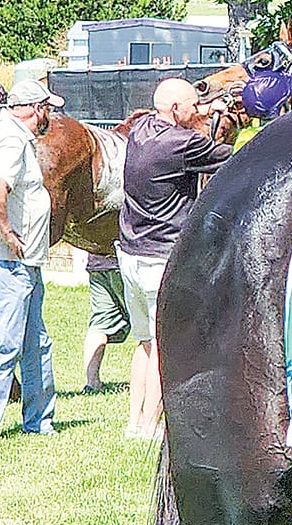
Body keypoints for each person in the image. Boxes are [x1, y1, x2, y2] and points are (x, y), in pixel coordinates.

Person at [118, 78, 235, 441]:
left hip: (130, 253)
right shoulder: (180, 144)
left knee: (144, 342)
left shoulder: (140, 130)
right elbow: (226, 157)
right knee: (164, 345)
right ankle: (152, 427)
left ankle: (135, 421)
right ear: (174, 110)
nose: (198, 110)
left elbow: (186, 125)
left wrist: (205, 112)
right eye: (192, 106)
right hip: (160, 256)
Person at [0, 79, 61, 443]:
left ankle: (39, 421)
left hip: (21, 262)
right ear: (37, 109)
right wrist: (7, 233)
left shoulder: (4, 134)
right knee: (5, 344)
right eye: (48, 108)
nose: (49, 115)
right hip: (9, 262)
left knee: (36, 343)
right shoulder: (10, 139)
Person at [83, 249, 130, 391]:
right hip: (123, 260)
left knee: (100, 323)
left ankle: (92, 383)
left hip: (97, 262)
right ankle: (149, 381)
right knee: (148, 326)